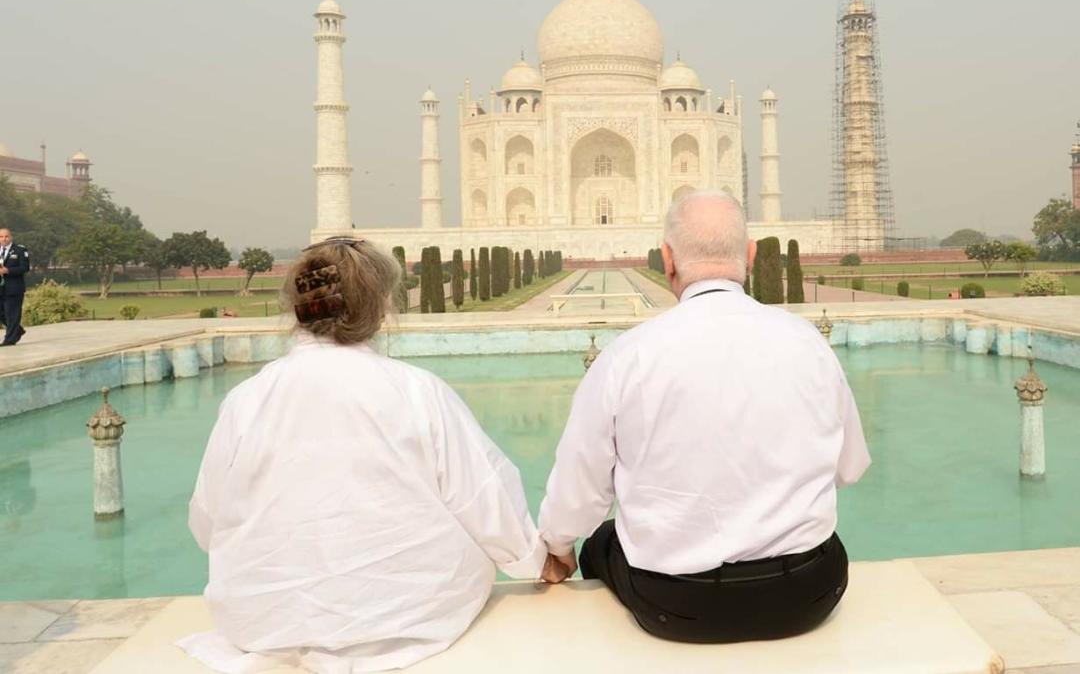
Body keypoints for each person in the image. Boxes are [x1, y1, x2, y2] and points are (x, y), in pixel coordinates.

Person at [179, 238, 547, 673]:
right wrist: (536, 561)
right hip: (411, 616)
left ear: (296, 305)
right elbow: (484, 500)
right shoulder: (416, 391)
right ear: (382, 304)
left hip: (264, 621)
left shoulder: (247, 399)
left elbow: (208, 523)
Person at [538, 190, 871, 643]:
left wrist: (558, 545)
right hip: (809, 593)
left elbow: (580, 484)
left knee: (601, 543)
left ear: (667, 259)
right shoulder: (808, 342)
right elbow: (849, 468)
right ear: (750, 255)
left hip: (675, 605)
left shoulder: (628, 356)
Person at [0, 228, 30, 347]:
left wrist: (8, 270)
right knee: (2, 313)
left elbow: (25, 267)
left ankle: (10, 339)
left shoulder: (20, 250)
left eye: (6, 236)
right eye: (1, 237)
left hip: (14, 288)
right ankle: (17, 330)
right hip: (1, 288)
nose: (4, 239)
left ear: (11, 237)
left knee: (11, 314)